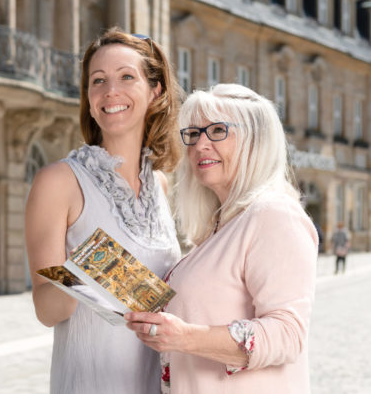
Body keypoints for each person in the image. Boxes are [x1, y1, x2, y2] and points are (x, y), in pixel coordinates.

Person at [125, 84, 318, 393]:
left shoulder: (274, 215)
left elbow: (287, 334)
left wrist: (185, 337)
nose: (200, 144)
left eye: (217, 130)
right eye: (193, 133)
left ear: (256, 139)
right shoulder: (221, 225)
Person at [25, 28, 182, 394]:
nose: (111, 91)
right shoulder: (58, 182)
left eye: (127, 76)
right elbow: (46, 311)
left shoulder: (161, 185)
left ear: (155, 90)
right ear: (89, 98)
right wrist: (88, 268)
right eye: (98, 80)